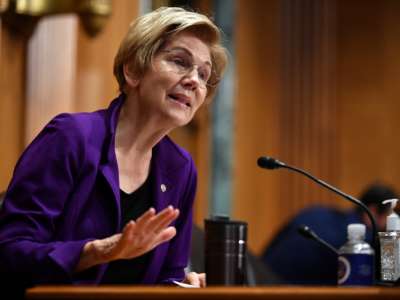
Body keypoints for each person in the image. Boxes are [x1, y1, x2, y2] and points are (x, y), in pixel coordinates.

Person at [0, 6, 227, 292]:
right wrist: (96, 252)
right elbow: (10, 252)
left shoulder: (180, 167)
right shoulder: (71, 137)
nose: (194, 80)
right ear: (133, 70)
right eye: (180, 62)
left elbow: (167, 273)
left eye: (204, 75)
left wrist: (182, 285)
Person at [261, 182, 399, 285]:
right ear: (373, 211)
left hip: (258, 283)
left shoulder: (315, 212)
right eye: (390, 216)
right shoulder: (361, 246)